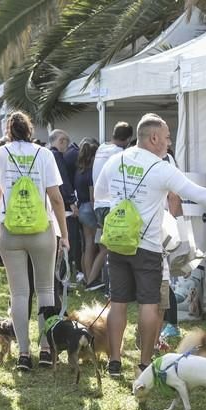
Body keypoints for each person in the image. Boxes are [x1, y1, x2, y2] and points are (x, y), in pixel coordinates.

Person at [95, 113, 206, 376]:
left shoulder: (114, 161)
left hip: (117, 243)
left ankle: (114, 361)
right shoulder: (161, 168)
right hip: (147, 246)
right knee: (149, 304)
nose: (169, 143)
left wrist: (112, 217)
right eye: (167, 138)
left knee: (118, 302)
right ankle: (145, 364)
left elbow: (100, 195)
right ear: (154, 138)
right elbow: (197, 193)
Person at [0, 111, 69, 371]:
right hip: (42, 228)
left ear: (8, 131)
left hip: (10, 230)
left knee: (19, 294)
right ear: (30, 130)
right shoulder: (44, 154)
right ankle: (46, 349)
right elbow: (56, 198)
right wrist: (65, 234)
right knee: (46, 290)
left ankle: (24, 353)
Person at [89, 121, 134, 290]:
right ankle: (111, 287)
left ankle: (95, 281)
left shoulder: (101, 148)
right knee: (114, 249)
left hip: (99, 204)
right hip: (112, 205)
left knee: (106, 248)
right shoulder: (121, 154)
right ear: (128, 138)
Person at [74, 138, 100, 284]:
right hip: (89, 208)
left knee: (86, 243)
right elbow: (93, 196)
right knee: (92, 244)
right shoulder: (91, 171)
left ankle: (85, 274)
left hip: (81, 207)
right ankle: (91, 277)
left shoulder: (79, 170)